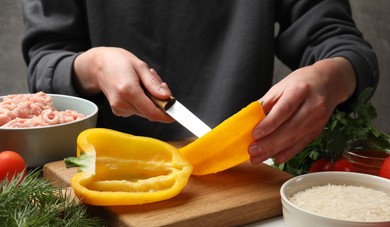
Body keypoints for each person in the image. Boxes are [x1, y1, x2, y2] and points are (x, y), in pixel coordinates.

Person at [21, 0, 378, 165]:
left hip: (240, 171)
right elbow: (46, 61)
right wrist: (94, 65)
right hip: (99, 170)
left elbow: (341, 42)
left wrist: (331, 78)